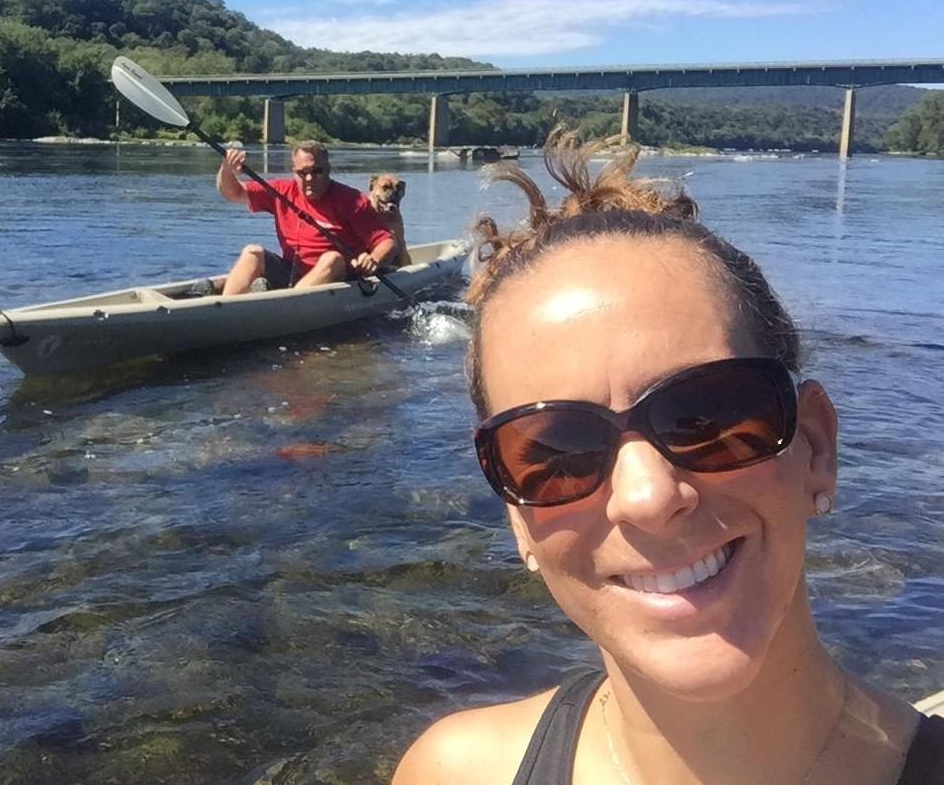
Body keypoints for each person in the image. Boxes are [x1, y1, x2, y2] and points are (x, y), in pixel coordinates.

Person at [393, 131, 943, 785]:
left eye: (704, 416)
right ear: (516, 516)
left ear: (814, 445)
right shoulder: (452, 773)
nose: (647, 496)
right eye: (558, 451)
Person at [214, 140, 398, 296]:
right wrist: (227, 168)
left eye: (317, 171)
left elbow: (387, 242)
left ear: (328, 169)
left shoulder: (353, 200)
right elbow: (233, 193)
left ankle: (288, 305)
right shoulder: (280, 191)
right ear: (294, 172)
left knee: (332, 258)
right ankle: (225, 310)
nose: (310, 178)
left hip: (338, 276)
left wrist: (373, 259)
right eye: (303, 173)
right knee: (252, 252)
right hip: (293, 271)